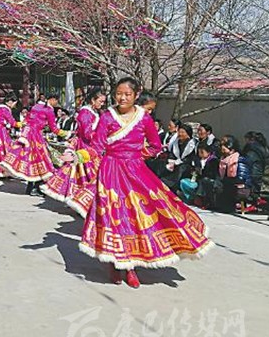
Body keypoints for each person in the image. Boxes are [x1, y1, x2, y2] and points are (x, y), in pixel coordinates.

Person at [79, 77, 212, 288]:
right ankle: (115, 263)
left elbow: (155, 145)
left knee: (138, 214)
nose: (122, 98)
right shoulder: (107, 117)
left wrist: (135, 155)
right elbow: (96, 146)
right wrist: (78, 156)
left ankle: (131, 266)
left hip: (135, 171)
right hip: (111, 171)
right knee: (114, 215)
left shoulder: (144, 118)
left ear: (136, 95)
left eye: (127, 94)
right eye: (118, 94)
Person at [43, 89, 106, 216]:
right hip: (85, 147)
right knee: (86, 174)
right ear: (93, 100)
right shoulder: (85, 113)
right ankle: (80, 201)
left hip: (91, 146)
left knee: (85, 175)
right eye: (101, 101)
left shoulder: (93, 112)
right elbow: (87, 133)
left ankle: (81, 200)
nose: (102, 104)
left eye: (103, 102)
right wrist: (102, 136)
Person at [1, 94, 64, 195]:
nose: (57, 104)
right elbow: (54, 128)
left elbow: (27, 120)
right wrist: (66, 134)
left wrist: (24, 128)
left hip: (28, 134)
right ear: (52, 99)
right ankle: (35, 188)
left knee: (32, 160)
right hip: (36, 136)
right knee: (41, 161)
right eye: (57, 101)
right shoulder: (49, 110)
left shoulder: (35, 106)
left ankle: (30, 187)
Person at [211, 135, 241, 213]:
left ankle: (227, 206)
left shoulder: (235, 158)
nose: (222, 148)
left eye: (224, 146)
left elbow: (233, 173)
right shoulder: (222, 158)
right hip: (226, 179)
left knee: (224, 186)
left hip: (235, 181)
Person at [163, 124, 196, 191]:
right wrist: (171, 160)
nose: (180, 134)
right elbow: (172, 154)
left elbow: (190, 158)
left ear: (188, 134)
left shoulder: (192, 144)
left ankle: (170, 184)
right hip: (175, 162)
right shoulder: (176, 142)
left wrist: (178, 162)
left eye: (182, 132)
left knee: (182, 168)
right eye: (179, 132)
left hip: (187, 165)